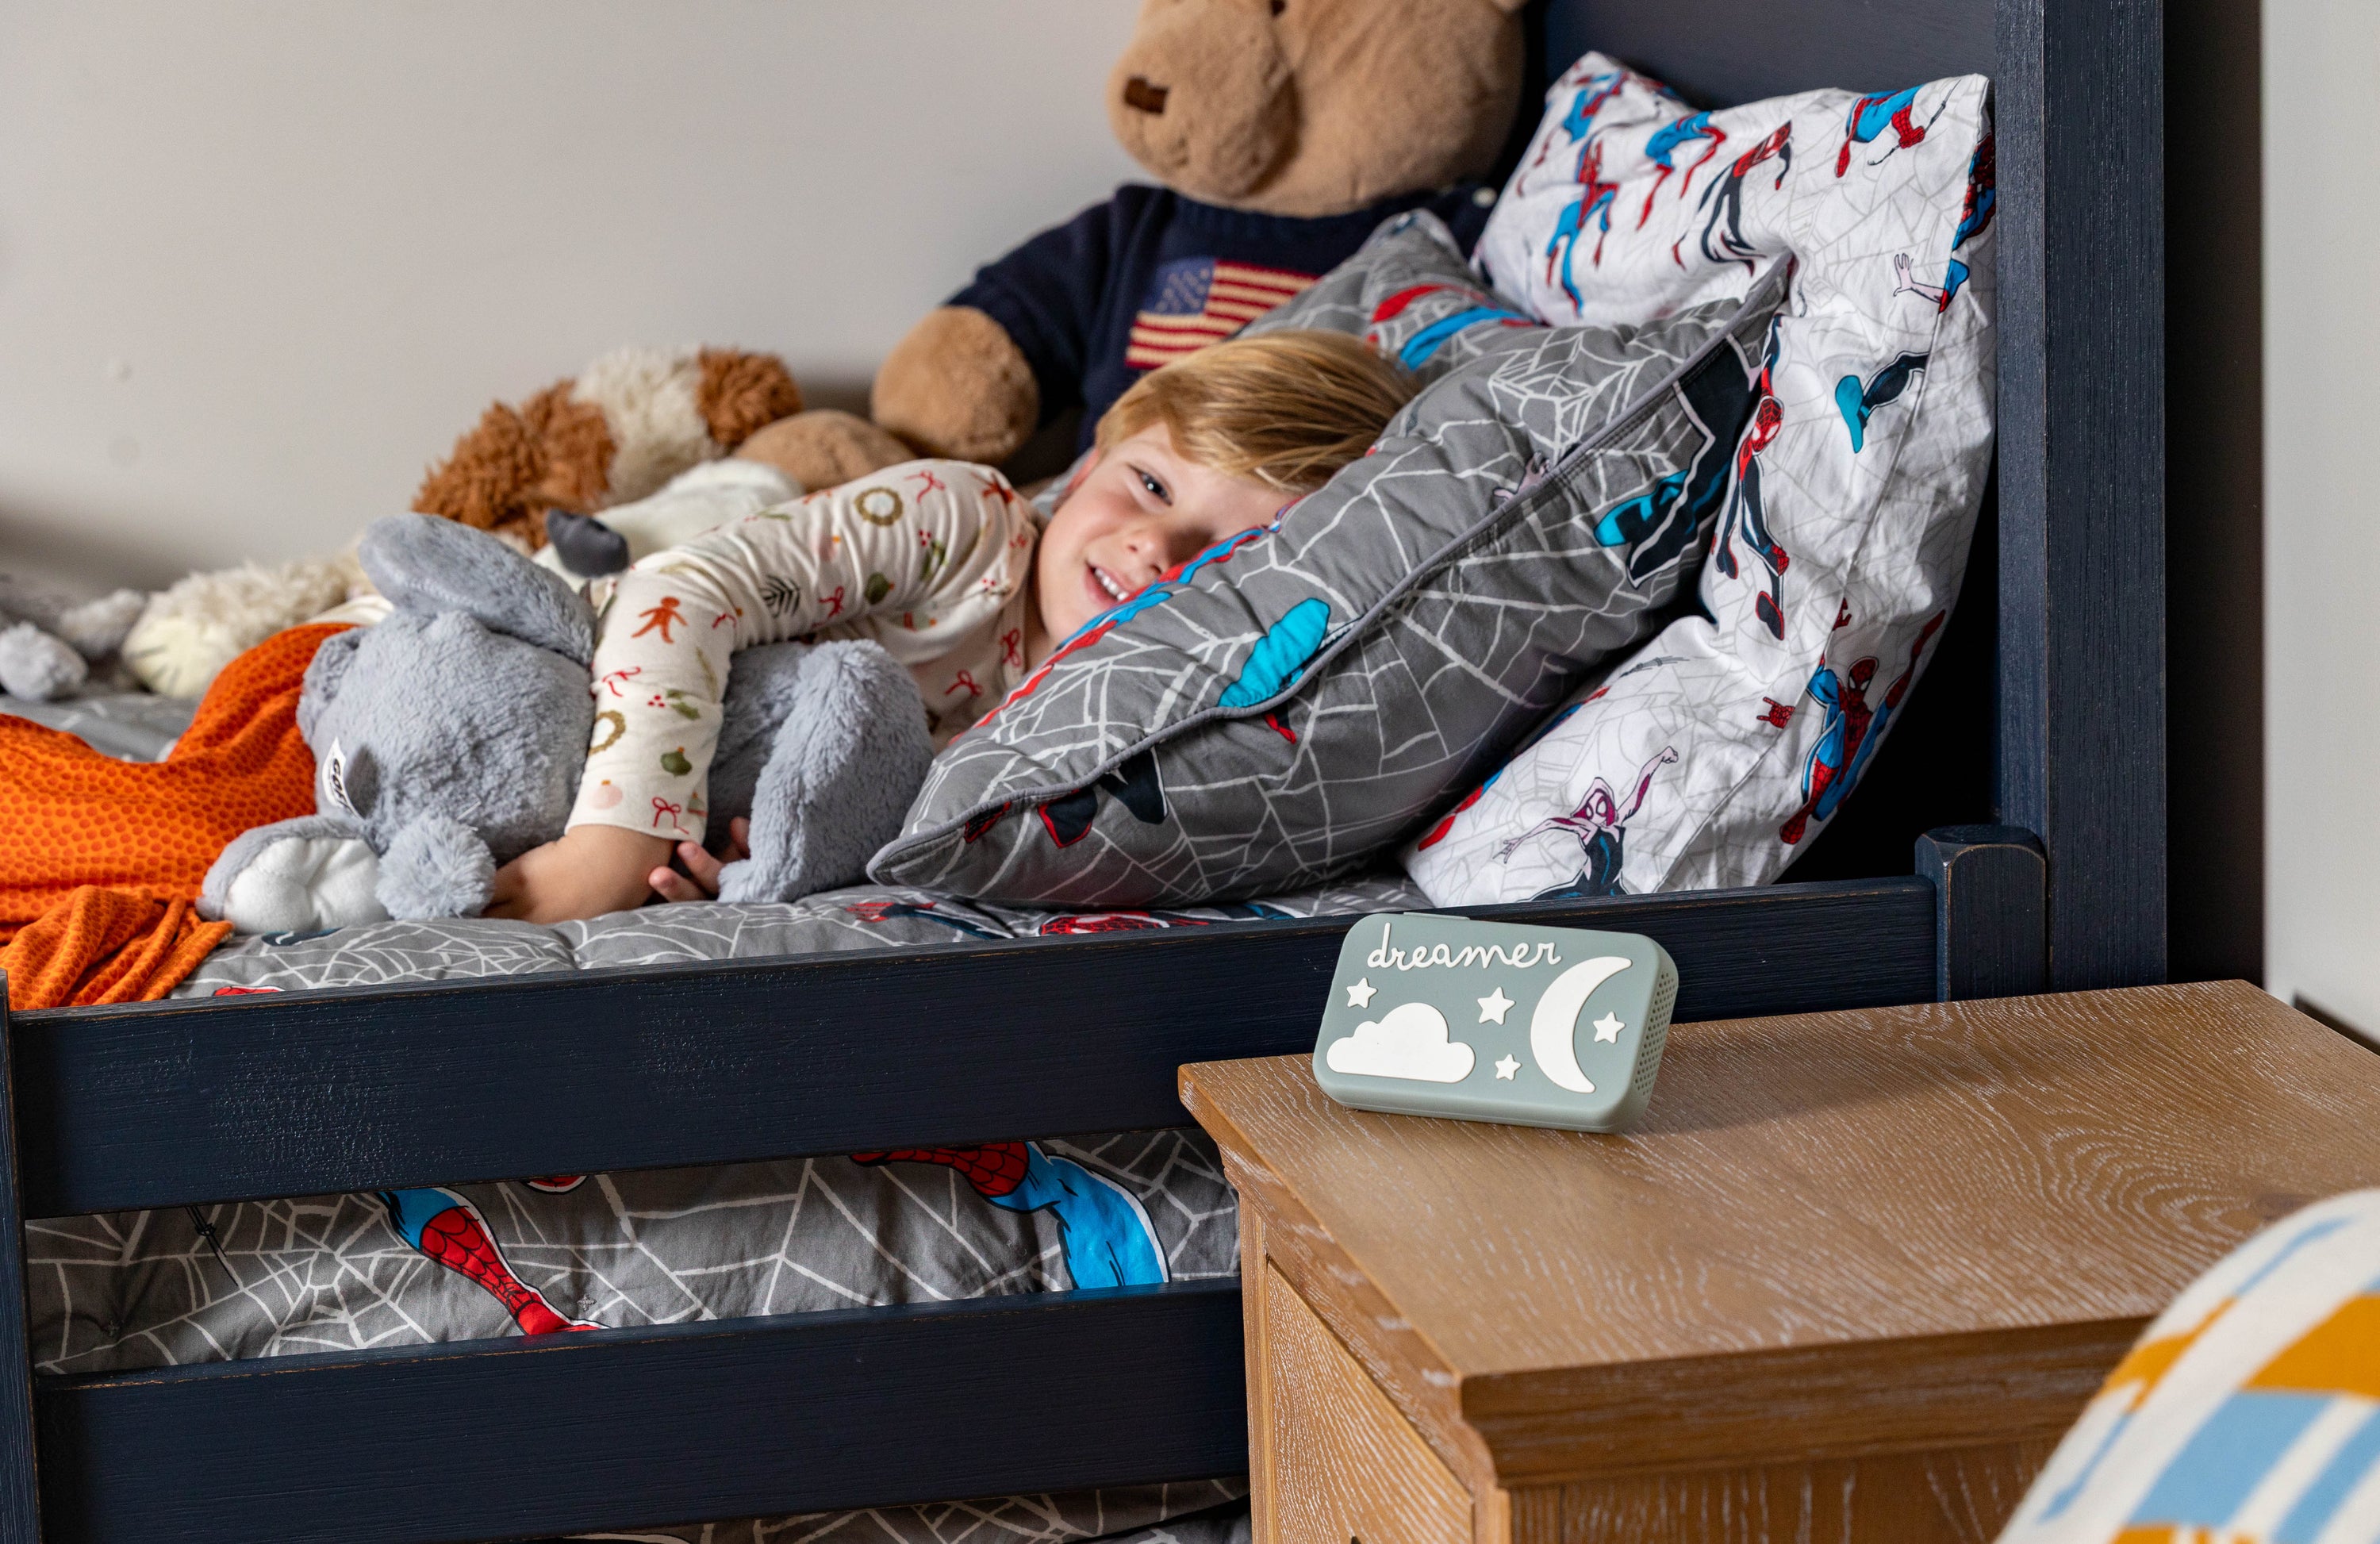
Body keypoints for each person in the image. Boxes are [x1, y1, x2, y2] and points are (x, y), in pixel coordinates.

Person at [486, 330, 1417, 923]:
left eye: (1225, 554)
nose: (1152, 548)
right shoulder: (967, 521)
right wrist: (621, 842)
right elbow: (683, 588)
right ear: (1095, 453)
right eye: (1151, 484)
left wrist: (740, 863)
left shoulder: (1131, 728)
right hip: (559, 666)